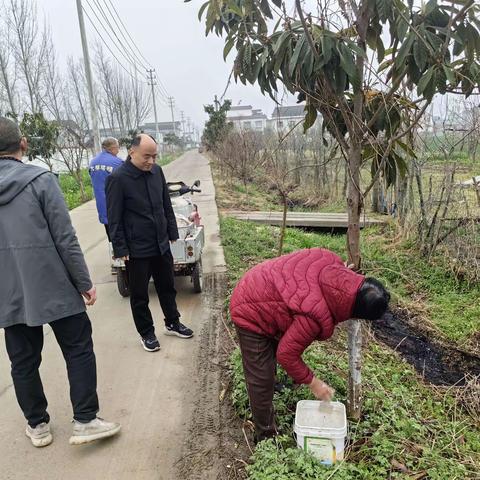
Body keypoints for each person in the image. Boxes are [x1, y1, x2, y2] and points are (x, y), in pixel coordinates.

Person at [0, 117, 121, 448]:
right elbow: (65, 238)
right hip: (54, 284)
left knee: (22, 360)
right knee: (78, 347)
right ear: (23, 144)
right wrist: (85, 282)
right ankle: (85, 420)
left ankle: (37, 426)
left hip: (10, 293)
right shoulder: (41, 180)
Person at [230, 248, 390, 442]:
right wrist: (315, 384)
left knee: (272, 351)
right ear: (355, 314)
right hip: (250, 309)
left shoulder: (333, 261)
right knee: (260, 377)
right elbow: (287, 355)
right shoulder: (314, 315)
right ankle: (265, 436)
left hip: (264, 282)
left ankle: (273, 385)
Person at [106, 134, 194, 352]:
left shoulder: (157, 172)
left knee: (167, 286)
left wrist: (172, 231)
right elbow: (114, 217)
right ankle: (146, 332)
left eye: (154, 156)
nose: (151, 161)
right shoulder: (118, 178)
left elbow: (166, 204)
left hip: (160, 243)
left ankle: (173, 322)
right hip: (136, 249)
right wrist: (120, 248)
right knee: (139, 295)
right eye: (147, 156)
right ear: (132, 151)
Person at [88, 137, 123, 242]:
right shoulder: (118, 163)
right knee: (122, 239)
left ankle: (115, 254)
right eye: (118, 147)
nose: (118, 150)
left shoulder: (92, 163)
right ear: (112, 148)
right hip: (118, 208)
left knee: (112, 238)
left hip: (103, 208)